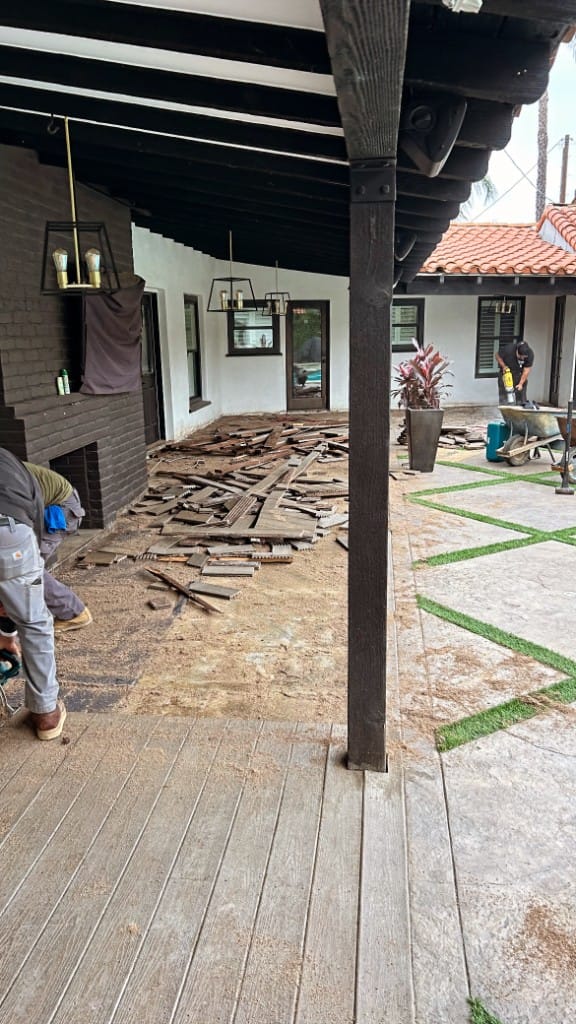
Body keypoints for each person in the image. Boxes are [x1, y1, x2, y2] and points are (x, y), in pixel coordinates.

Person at [0, 447, 65, 740]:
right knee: (34, 622)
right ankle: (46, 714)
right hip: (9, 530)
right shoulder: (9, 462)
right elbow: (35, 524)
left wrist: (5, 635)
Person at [23, 462, 92, 632]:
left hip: (59, 510)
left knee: (27, 566)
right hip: (43, 505)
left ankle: (74, 613)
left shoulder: (5, 477)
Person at [496, 339, 534, 406]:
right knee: (504, 399)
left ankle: (520, 412)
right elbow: (497, 356)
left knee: (521, 400)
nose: (523, 358)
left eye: (524, 357)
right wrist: (504, 366)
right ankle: (504, 412)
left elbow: (526, 370)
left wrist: (520, 384)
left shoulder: (530, 354)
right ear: (517, 352)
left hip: (520, 375)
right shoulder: (508, 349)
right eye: (521, 357)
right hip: (506, 375)